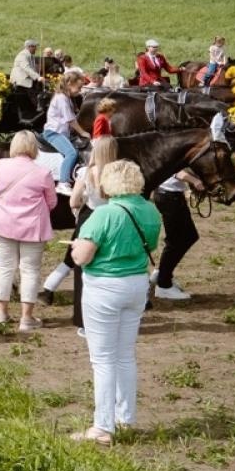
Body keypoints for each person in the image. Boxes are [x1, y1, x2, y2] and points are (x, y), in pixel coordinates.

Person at [70, 159, 163, 445]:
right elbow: (152, 244)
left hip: (104, 287)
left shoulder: (103, 214)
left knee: (102, 360)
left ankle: (102, 427)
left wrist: (76, 247)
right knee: (125, 356)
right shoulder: (150, 210)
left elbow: (81, 257)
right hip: (136, 284)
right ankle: (126, 418)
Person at [41, 135, 118, 328]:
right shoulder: (119, 172)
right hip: (114, 219)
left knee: (82, 267)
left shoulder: (85, 172)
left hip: (90, 217)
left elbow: (74, 201)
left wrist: (79, 207)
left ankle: (82, 318)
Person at [0, 131, 57, 330]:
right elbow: (52, 202)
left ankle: (2, 313)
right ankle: (26, 318)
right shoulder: (43, 172)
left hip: (3, 222)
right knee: (30, 271)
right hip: (32, 227)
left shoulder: (0, 166)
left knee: (5, 267)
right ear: (34, 148)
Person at [151, 163, 204, 300]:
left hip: (172, 195)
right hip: (169, 197)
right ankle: (163, 285)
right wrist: (195, 181)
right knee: (177, 240)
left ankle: (162, 273)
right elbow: (177, 171)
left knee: (187, 237)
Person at [42, 72, 91, 185]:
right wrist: (83, 132)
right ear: (69, 84)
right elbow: (70, 120)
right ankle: (63, 182)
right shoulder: (61, 98)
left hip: (62, 133)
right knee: (71, 153)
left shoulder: (67, 98)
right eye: (78, 87)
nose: (80, 90)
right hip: (53, 133)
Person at [10, 38, 44, 118]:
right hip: (21, 82)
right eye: (35, 47)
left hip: (27, 80)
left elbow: (32, 69)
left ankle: (37, 109)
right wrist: (38, 77)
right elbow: (26, 68)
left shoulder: (30, 56)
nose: (36, 48)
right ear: (30, 47)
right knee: (33, 92)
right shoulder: (23, 55)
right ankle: (36, 110)